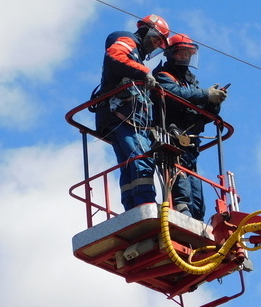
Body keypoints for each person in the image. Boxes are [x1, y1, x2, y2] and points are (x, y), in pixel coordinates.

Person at [95, 14, 171, 211]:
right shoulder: (128, 40)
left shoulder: (136, 54)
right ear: (145, 30)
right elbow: (114, 56)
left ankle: (132, 207)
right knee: (141, 160)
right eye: (155, 40)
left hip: (127, 118)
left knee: (129, 165)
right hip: (123, 116)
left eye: (159, 44)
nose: (155, 46)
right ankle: (145, 205)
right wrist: (144, 72)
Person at [153, 33, 227, 221]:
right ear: (170, 54)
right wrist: (204, 94)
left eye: (188, 53)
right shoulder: (163, 76)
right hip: (171, 138)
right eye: (181, 53)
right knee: (181, 182)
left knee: (195, 187)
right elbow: (175, 93)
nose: (185, 57)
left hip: (190, 145)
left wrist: (213, 102)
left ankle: (197, 219)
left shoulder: (190, 82)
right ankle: (182, 213)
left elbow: (200, 113)